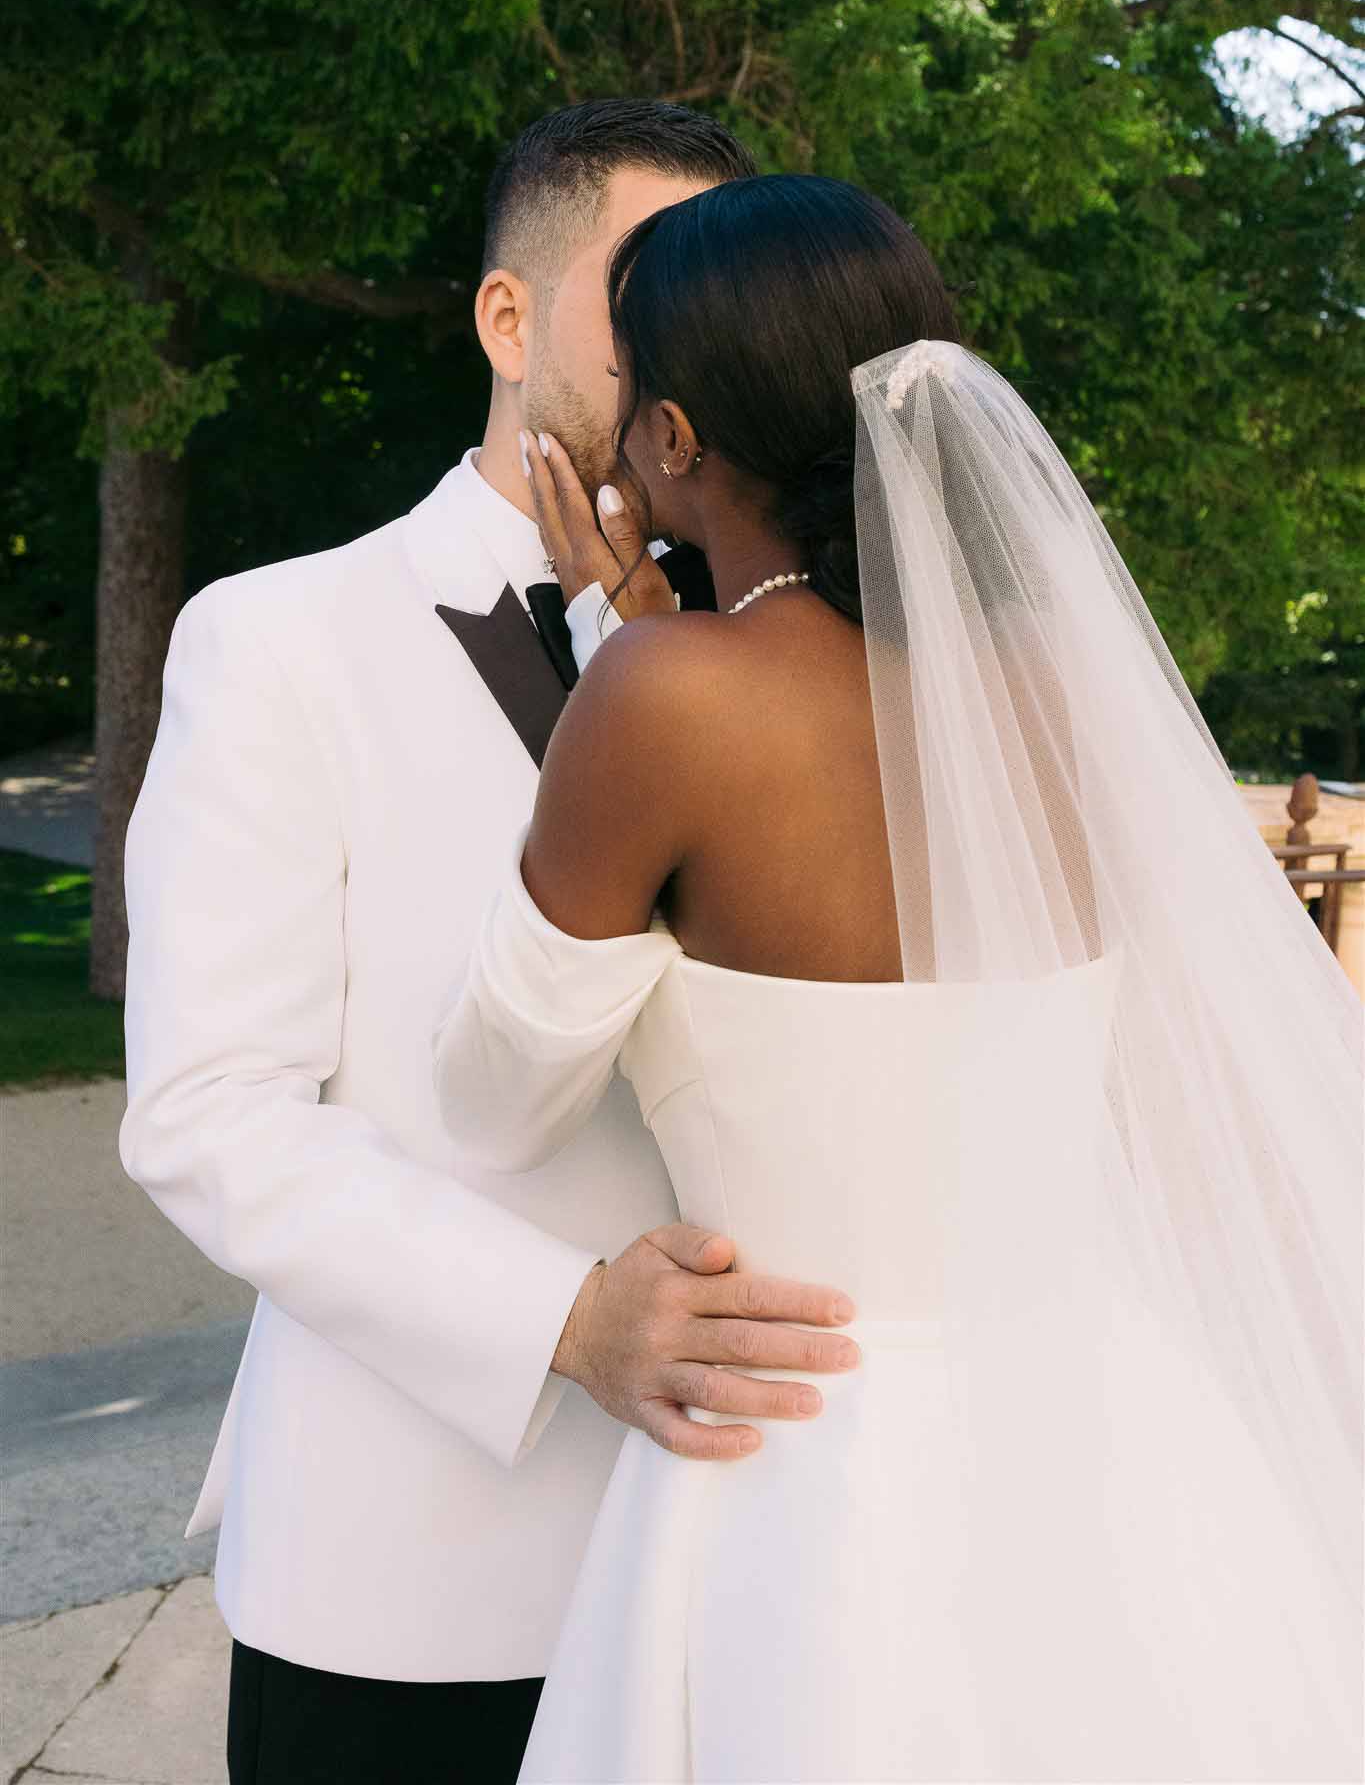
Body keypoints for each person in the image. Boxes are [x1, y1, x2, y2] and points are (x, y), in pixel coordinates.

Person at [434, 173, 1363, 1782]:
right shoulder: (1063, 695)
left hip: (808, 1472)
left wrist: (618, 649)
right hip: (1113, 1446)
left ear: (668, 437)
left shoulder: (661, 696)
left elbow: (497, 1099)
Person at [118, 104, 865, 1785]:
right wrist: (564, 1319)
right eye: (642, 284)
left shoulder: (824, 663)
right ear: (507, 323)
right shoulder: (278, 641)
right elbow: (209, 1112)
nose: (692, 329)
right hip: (418, 1577)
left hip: (764, 1557)